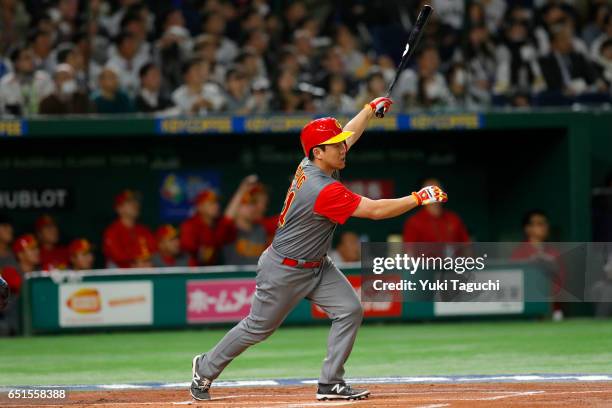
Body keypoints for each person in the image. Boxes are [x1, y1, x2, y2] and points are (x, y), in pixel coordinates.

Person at [189, 96, 448, 401]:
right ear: (318, 152)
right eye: (335, 145)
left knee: (350, 309)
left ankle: (330, 383)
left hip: (317, 265)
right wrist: (418, 198)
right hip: (284, 269)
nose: (343, 147)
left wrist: (367, 111)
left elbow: (349, 134)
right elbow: (377, 211)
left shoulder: (314, 161)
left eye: (340, 143)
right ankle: (204, 367)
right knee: (258, 328)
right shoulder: (322, 189)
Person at [180, 178, 255, 266]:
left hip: (215, 272)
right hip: (190, 273)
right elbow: (191, 251)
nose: (216, 206)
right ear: (200, 207)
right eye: (211, 203)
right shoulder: (190, 225)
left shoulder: (217, 223)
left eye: (216, 203)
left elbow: (228, 221)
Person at [511, 210, 565, 320]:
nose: (544, 227)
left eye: (545, 223)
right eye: (539, 224)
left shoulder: (553, 253)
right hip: (527, 313)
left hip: (554, 311)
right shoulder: (519, 254)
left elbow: (562, 284)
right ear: (528, 229)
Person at [403, 178, 470, 243]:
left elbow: (467, 246)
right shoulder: (414, 221)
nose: (434, 195)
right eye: (429, 192)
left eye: (437, 190)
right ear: (422, 195)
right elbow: (409, 251)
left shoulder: (453, 218)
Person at [103, 190, 156, 268]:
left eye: (136, 201)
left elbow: (154, 252)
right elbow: (117, 257)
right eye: (129, 202)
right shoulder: (112, 231)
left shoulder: (144, 230)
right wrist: (136, 261)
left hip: (144, 270)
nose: (135, 204)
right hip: (120, 276)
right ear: (119, 208)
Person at [0, 234, 40, 335]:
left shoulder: (41, 273)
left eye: (36, 248)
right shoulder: (9, 272)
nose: (37, 252)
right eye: (31, 249)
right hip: (11, 322)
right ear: (20, 254)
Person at [0, 46, 53, 116]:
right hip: (17, 124)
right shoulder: (5, 83)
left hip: (43, 123)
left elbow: (51, 104)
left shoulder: (44, 78)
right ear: (16, 63)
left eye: (32, 57)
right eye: (27, 58)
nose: (32, 61)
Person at [222, 188, 268, 265]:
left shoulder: (261, 229)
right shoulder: (230, 230)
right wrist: (243, 188)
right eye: (245, 204)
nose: (250, 207)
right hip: (236, 276)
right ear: (236, 208)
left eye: (252, 204)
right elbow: (226, 220)